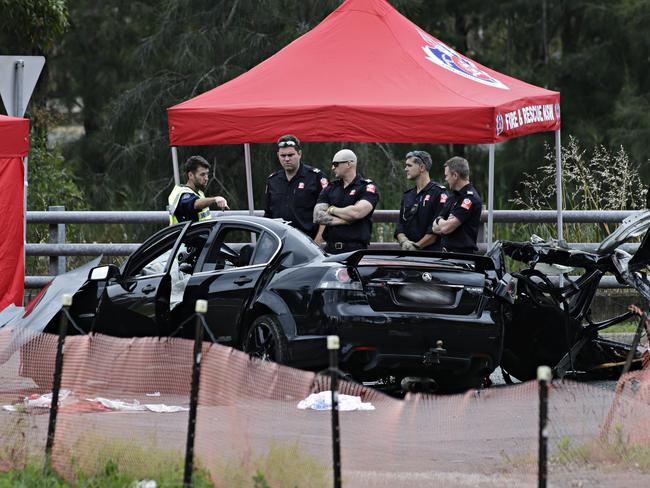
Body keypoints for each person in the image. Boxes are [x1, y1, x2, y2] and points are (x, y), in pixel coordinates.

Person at [313, 149, 379, 254]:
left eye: (336, 164)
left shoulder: (366, 187)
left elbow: (357, 213)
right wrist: (346, 220)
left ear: (348, 164)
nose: (333, 168)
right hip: (331, 249)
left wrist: (331, 209)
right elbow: (317, 216)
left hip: (356, 251)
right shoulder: (330, 188)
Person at [264, 135, 329, 238]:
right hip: (279, 241)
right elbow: (268, 214)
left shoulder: (315, 177)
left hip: (308, 242)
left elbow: (326, 212)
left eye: (290, 155)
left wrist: (318, 241)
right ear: (278, 155)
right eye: (283, 155)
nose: (286, 159)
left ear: (299, 154)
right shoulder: (273, 180)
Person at [395, 150, 447, 251]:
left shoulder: (439, 194)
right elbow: (400, 226)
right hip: (407, 254)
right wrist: (404, 241)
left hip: (430, 256)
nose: (405, 169)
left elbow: (436, 230)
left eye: (409, 166)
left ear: (422, 167)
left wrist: (416, 246)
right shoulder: (407, 195)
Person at [431, 156, 483, 253]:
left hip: (461, 257)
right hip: (446, 255)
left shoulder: (469, 198)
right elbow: (434, 227)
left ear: (455, 175)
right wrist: (441, 221)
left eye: (447, 176)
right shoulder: (452, 197)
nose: (445, 179)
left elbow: (446, 228)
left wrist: (441, 223)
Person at [167, 155, 229, 225]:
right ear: (190, 175)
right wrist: (215, 199)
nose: (206, 178)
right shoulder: (182, 194)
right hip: (186, 235)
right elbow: (195, 204)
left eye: (207, 174)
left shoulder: (199, 193)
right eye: (202, 175)